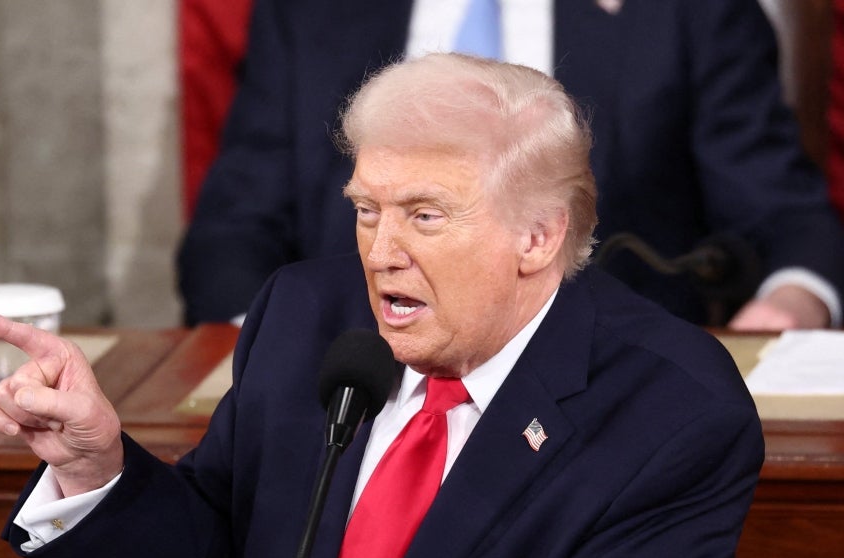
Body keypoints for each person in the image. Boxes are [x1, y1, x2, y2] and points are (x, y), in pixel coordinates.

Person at [0, 54, 763, 558]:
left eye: (425, 216)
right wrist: (96, 468)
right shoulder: (306, 317)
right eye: (366, 209)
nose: (382, 252)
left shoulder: (671, 402)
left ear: (538, 236)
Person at [177, 0, 844, 330]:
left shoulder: (688, 12)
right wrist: (271, 349)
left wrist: (790, 307)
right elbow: (232, 230)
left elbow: (786, 216)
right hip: (357, 381)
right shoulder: (310, 11)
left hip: (605, 395)